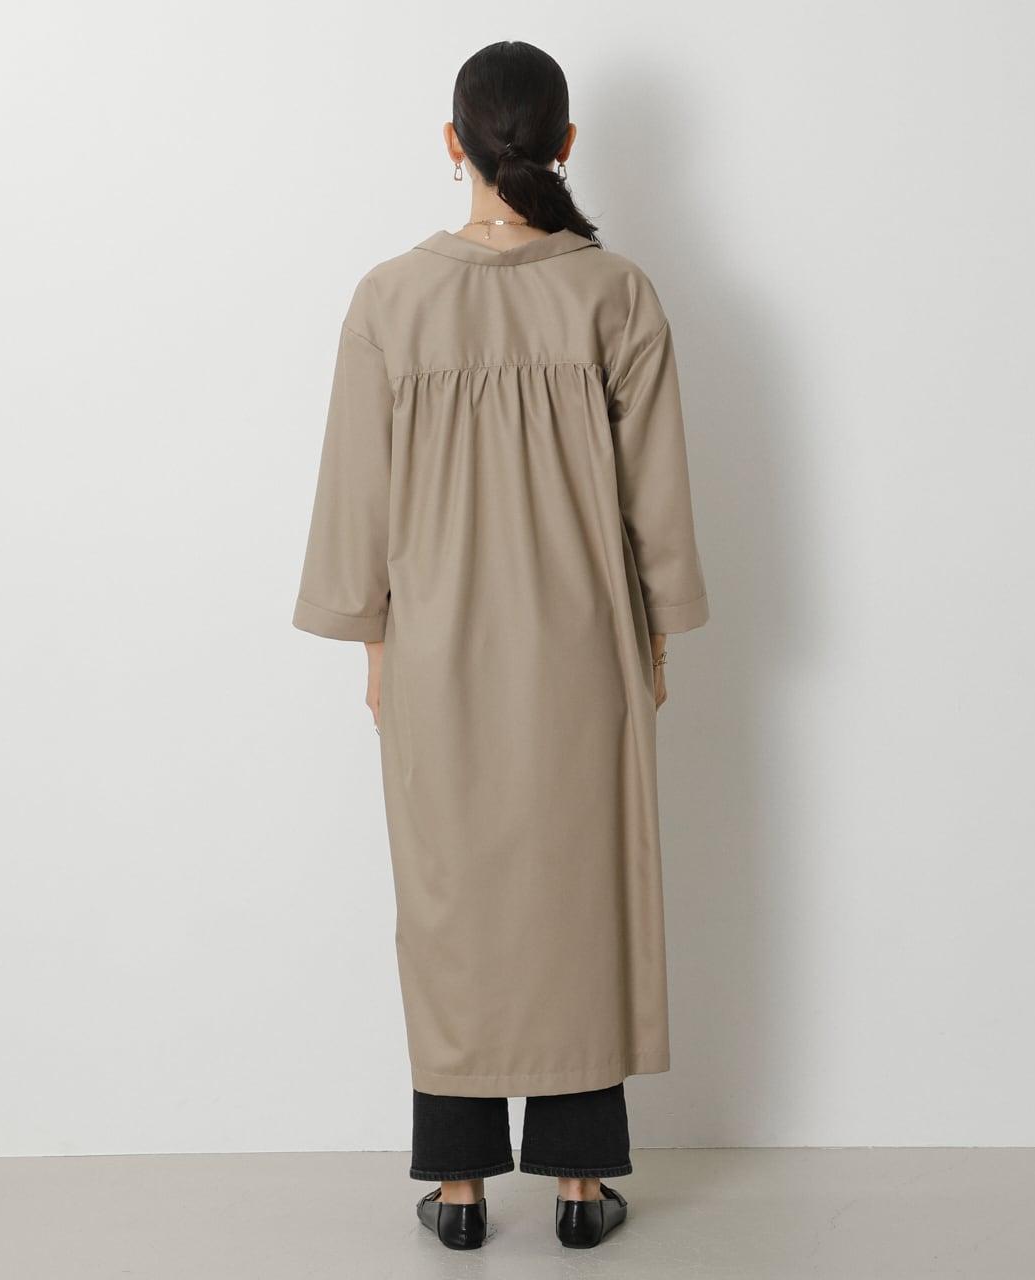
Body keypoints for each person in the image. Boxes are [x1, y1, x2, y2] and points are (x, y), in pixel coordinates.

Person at [293, 40, 709, 1252]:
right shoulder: (615, 292)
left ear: (452, 144)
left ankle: (461, 1184)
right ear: (565, 145)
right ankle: (579, 1179)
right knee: (582, 890)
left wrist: (373, 638)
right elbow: (657, 496)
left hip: (435, 644)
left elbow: (355, 493)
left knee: (450, 900)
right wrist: (658, 632)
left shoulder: (390, 297)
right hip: (584, 645)